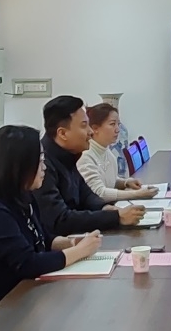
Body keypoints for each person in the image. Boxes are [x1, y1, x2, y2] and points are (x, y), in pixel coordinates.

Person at [0, 124, 102, 331]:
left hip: (17, 299)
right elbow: (28, 263)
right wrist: (79, 252)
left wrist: (71, 243)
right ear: (19, 166)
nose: (44, 167)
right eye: (39, 161)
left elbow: (42, 237)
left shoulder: (23, 197)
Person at [34, 95, 145, 235]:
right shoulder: (41, 165)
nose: (91, 132)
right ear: (62, 133)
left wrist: (106, 209)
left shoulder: (69, 153)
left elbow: (86, 195)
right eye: (84, 125)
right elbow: (60, 220)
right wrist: (115, 217)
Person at [79, 103, 156, 203]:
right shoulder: (85, 156)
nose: (117, 130)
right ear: (95, 129)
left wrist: (125, 182)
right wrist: (137, 194)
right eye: (112, 124)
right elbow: (99, 193)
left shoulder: (106, 151)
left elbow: (108, 181)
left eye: (118, 124)